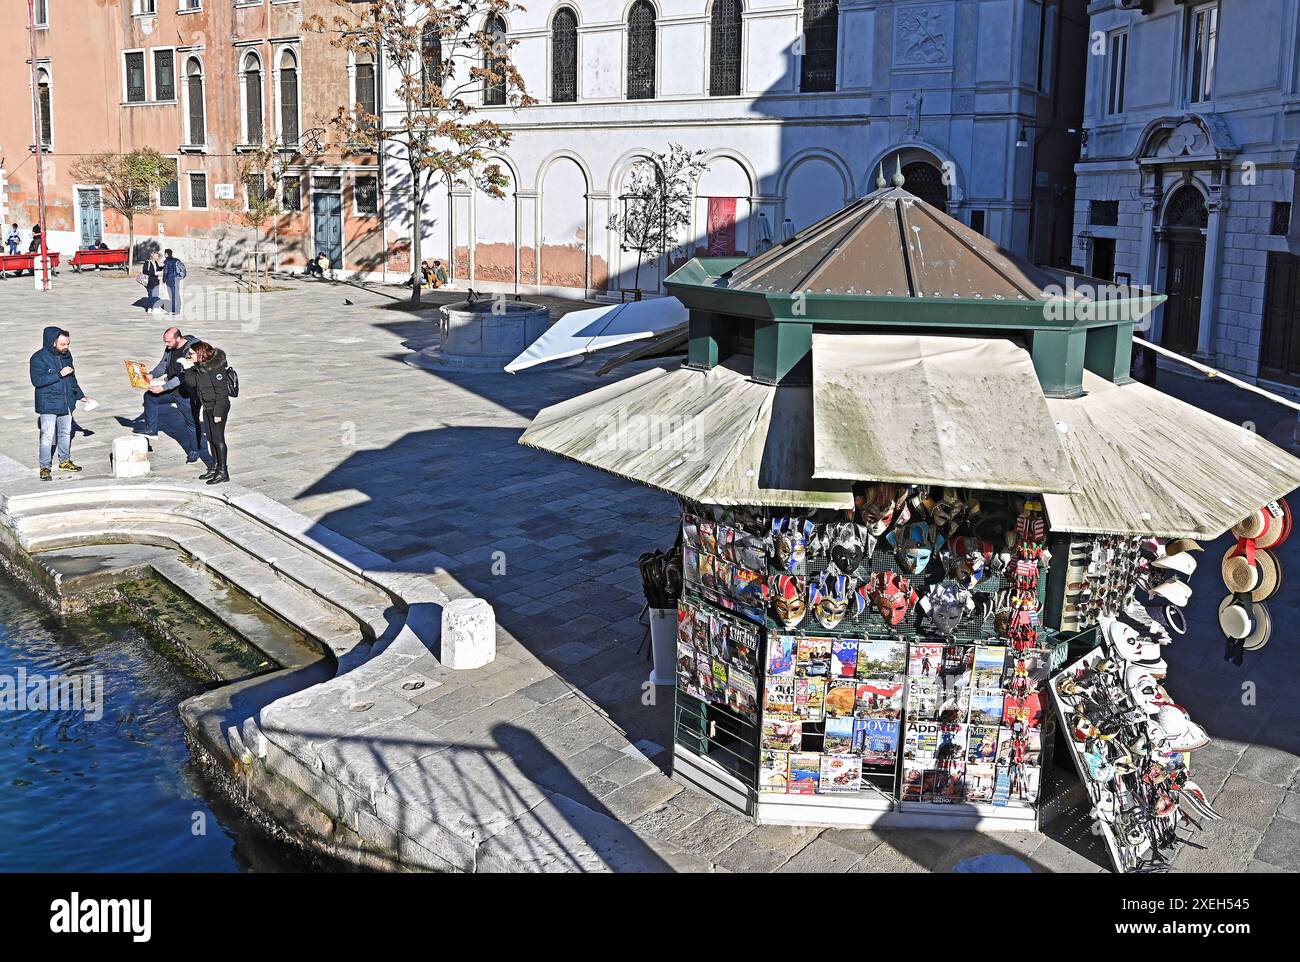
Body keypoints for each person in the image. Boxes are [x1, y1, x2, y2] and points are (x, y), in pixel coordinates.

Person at [29, 327, 94, 481]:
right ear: (53, 343)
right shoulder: (38, 358)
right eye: (63, 344)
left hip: (66, 403)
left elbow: (72, 379)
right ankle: (45, 467)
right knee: (47, 436)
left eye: (68, 344)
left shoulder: (67, 355)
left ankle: (64, 461)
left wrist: (81, 396)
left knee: (65, 433)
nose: (66, 347)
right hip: (48, 403)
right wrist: (58, 374)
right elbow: (37, 381)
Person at [140, 326, 205, 464]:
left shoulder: (193, 349)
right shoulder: (170, 348)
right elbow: (163, 365)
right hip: (171, 388)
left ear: (178, 338)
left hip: (187, 392)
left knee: (191, 423)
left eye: (168, 342)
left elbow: (183, 376)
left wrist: (163, 388)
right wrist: (151, 375)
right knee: (149, 396)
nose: (166, 345)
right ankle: (151, 430)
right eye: (165, 342)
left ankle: (194, 451)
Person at [181, 341, 233, 484]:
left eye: (191, 353)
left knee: (218, 439)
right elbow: (191, 384)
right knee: (210, 439)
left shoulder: (215, 367)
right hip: (207, 406)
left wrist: (218, 413)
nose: (188, 355)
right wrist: (188, 368)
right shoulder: (199, 367)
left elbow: (222, 393)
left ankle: (223, 472)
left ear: (200, 353)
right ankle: (214, 467)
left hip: (218, 407)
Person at [162, 248, 186, 315]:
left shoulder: (167, 261)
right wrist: (179, 277)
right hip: (176, 279)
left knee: (172, 295)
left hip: (170, 280)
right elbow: (183, 270)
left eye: (164, 253)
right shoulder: (176, 260)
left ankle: (174, 310)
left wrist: (164, 279)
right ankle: (176, 309)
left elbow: (165, 271)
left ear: (166, 254)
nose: (164, 254)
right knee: (176, 294)